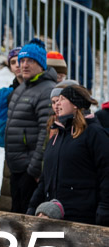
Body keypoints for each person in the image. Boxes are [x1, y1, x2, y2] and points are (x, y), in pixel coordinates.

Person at [27, 85, 109, 226]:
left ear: (76, 104)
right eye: (56, 100)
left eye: (62, 99)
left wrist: (105, 208)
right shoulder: (56, 137)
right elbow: (45, 180)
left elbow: (106, 173)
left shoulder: (94, 133)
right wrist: (32, 207)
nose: (57, 103)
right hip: (55, 216)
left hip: (84, 218)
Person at [5, 38, 57, 214]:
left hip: (29, 171)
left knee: (27, 218)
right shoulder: (22, 88)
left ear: (41, 64)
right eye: (22, 60)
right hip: (16, 168)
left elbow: (46, 133)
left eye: (31, 61)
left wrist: (34, 170)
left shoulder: (46, 90)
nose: (24, 65)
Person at [0, 46, 22, 152]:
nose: (17, 65)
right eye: (13, 62)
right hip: (11, 148)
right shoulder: (5, 93)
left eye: (20, 60)